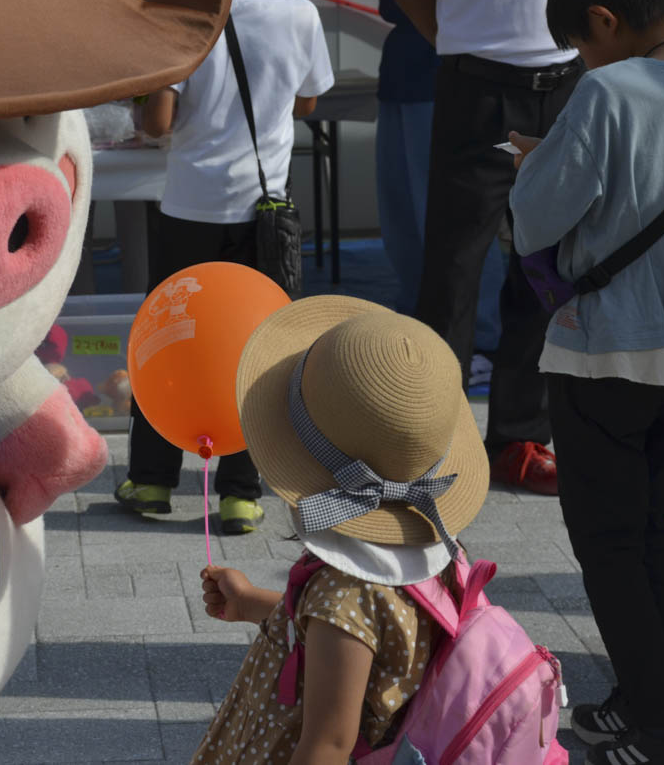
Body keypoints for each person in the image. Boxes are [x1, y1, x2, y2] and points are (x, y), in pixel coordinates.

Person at [508, 0, 664, 762]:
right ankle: (638, 696)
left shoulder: (609, 95)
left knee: (610, 543)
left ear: (605, 19)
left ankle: (659, 731)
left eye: (583, 45)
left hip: (604, 353)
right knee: (653, 531)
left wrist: (534, 162)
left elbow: (536, 220)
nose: (585, 61)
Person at [190, 296, 489, 764]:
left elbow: (328, 744)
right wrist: (252, 604)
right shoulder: (432, 553)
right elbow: (357, 645)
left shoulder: (346, 593)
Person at [115, 0, 333, 534]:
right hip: (264, 214)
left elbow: (157, 122)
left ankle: (153, 480)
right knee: (257, 351)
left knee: (166, 340)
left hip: (190, 208)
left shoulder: (190, 16)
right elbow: (306, 100)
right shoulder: (302, 16)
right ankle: (241, 493)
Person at [394, 0, 583, 495]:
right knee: (451, 275)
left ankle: (518, 441)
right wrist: (461, 48)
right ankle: (434, 441)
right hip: (477, 90)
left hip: (564, 87)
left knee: (547, 270)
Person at [374, 0, 507, 365]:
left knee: (454, 221)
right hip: (403, 73)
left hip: (442, 78)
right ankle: (419, 322)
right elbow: (394, 0)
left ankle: (484, 336)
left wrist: (451, 55)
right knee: (402, 220)